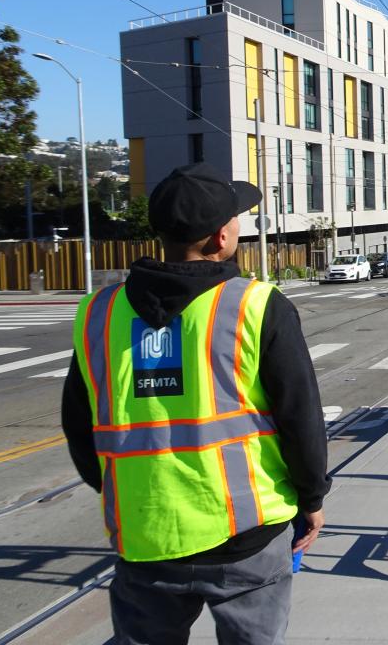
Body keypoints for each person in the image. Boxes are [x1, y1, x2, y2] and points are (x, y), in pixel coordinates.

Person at [61, 162, 330, 645]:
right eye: (236, 219)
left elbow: (80, 427)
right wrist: (311, 498)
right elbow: (300, 418)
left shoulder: (97, 313)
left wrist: (128, 493)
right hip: (245, 533)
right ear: (219, 238)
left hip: (146, 532)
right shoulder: (256, 304)